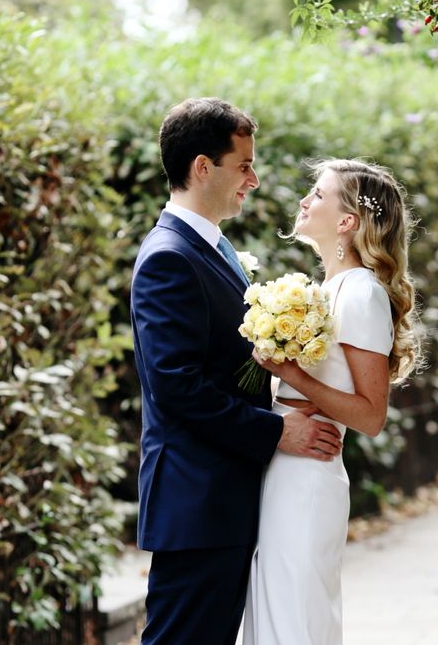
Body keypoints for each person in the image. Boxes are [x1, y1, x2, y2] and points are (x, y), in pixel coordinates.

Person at [130, 97, 343, 645]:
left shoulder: (214, 247)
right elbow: (176, 387)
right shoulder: (168, 258)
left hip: (222, 498)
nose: (252, 178)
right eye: (243, 164)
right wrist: (279, 431)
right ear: (204, 167)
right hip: (197, 501)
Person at [243, 158, 418, 645]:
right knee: (276, 611)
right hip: (283, 466)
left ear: (347, 222)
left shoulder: (361, 292)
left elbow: (371, 414)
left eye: (317, 194)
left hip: (308, 477)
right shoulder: (329, 289)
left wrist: (290, 373)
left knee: (297, 615)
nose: (304, 201)